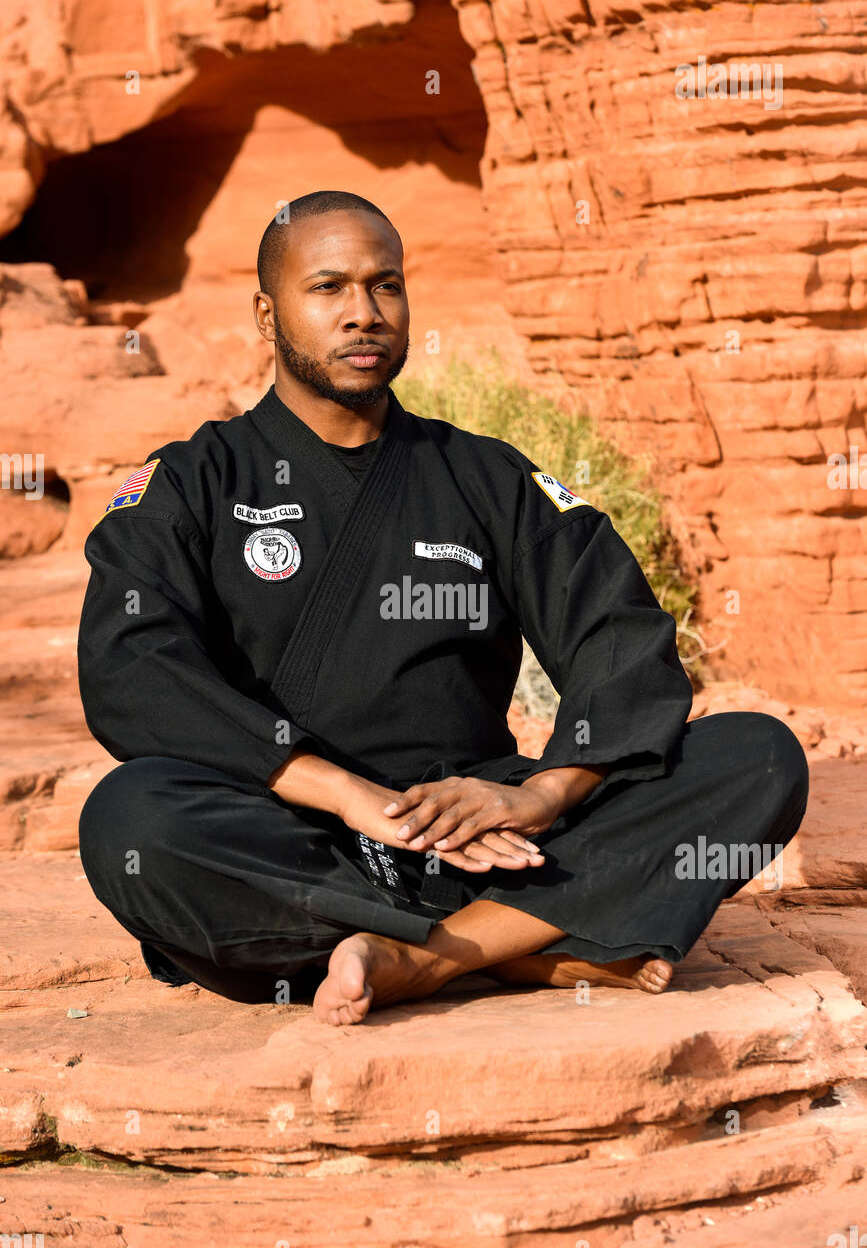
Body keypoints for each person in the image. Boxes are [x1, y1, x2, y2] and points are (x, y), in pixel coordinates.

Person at [76, 190, 810, 1027]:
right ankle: (519, 945)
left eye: (385, 286)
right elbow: (130, 664)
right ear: (266, 313)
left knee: (756, 754)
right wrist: (345, 795)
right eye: (328, 289)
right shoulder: (189, 482)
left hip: (487, 834)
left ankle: (413, 958)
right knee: (130, 818)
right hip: (297, 831)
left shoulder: (486, 476)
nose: (363, 314)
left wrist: (541, 795)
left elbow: (618, 636)